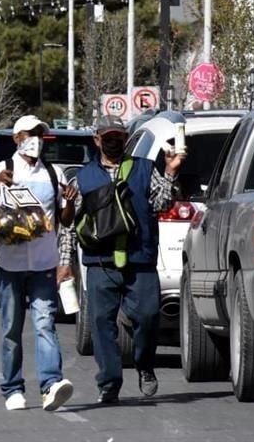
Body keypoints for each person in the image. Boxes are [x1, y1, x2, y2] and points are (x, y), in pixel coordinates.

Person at [58, 115, 182, 404]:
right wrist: (65, 263)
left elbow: (162, 203)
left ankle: (145, 365)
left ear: (126, 139)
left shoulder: (143, 169)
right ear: (97, 139)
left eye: (118, 135)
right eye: (107, 136)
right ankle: (109, 382)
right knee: (102, 323)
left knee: (149, 317)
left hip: (140, 259)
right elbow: (70, 225)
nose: (113, 140)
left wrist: (170, 172)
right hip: (100, 262)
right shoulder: (82, 178)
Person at [0, 115, 77, 412]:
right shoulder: (3, 169)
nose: (35, 138)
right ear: (16, 138)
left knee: (44, 323)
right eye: (30, 133)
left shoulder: (54, 173)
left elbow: (65, 221)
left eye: (40, 133)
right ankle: (12, 388)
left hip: (44, 263)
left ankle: (51, 384)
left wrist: (71, 202)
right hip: (10, 264)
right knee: (12, 328)